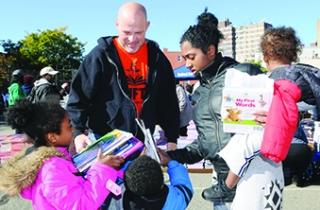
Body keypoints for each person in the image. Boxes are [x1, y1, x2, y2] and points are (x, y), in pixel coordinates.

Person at [207, 27, 320, 209]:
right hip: (303, 142)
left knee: (242, 145)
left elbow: (280, 111)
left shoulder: (277, 78)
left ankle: (227, 186)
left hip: (283, 143)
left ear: (266, 56)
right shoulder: (303, 73)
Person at [165, 9, 262, 206]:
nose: (188, 63)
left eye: (191, 56)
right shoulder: (199, 92)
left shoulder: (243, 74)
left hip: (254, 177)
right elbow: (204, 144)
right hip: (221, 184)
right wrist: (170, 156)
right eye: (184, 58)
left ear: (210, 50)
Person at [67, 2, 179, 153]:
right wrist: (78, 132)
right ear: (117, 25)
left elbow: (169, 102)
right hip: (104, 140)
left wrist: (172, 138)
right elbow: (78, 98)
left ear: (147, 26)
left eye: (139, 32)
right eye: (127, 32)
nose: (132, 39)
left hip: (143, 142)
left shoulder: (157, 58)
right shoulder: (100, 56)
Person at [0, 99, 125, 210]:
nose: (73, 130)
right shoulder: (52, 168)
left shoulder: (55, 159)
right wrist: (102, 168)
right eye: (69, 127)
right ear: (52, 137)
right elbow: (81, 205)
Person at [123, 152, 193, 210]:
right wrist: (171, 162)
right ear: (162, 179)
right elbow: (185, 186)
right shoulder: (176, 201)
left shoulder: (121, 202)